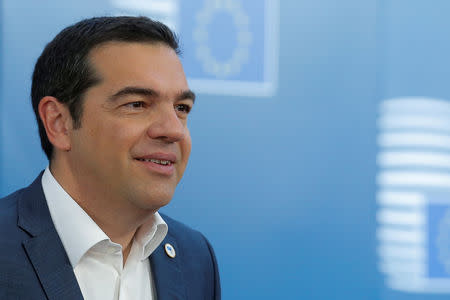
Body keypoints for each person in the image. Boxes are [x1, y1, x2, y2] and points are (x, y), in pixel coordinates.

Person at [0, 16, 220, 300]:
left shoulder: (195, 257)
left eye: (181, 107)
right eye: (137, 104)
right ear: (59, 123)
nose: (174, 130)